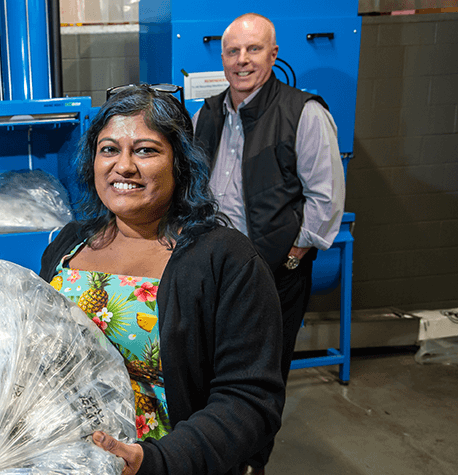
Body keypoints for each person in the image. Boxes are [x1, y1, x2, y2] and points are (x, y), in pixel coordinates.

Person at [39, 84, 285, 475]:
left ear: (180, 163)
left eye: (145, 150)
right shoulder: (69, 244)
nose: (124, 166)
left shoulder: (226, 260)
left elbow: (250, 400)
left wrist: (157, 460)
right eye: (109, 149)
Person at [191, 13, 346, 471]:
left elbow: (325, 197)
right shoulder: (207, 114)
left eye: (253, 50)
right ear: (222, 59)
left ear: (273, 54)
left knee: (260, 380)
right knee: (209, 372)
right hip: (215, 271)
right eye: (233, 52)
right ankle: (214, 454)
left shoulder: (304, 113)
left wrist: (296, 253)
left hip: (274, 275)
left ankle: (253, 462)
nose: (242, 61)